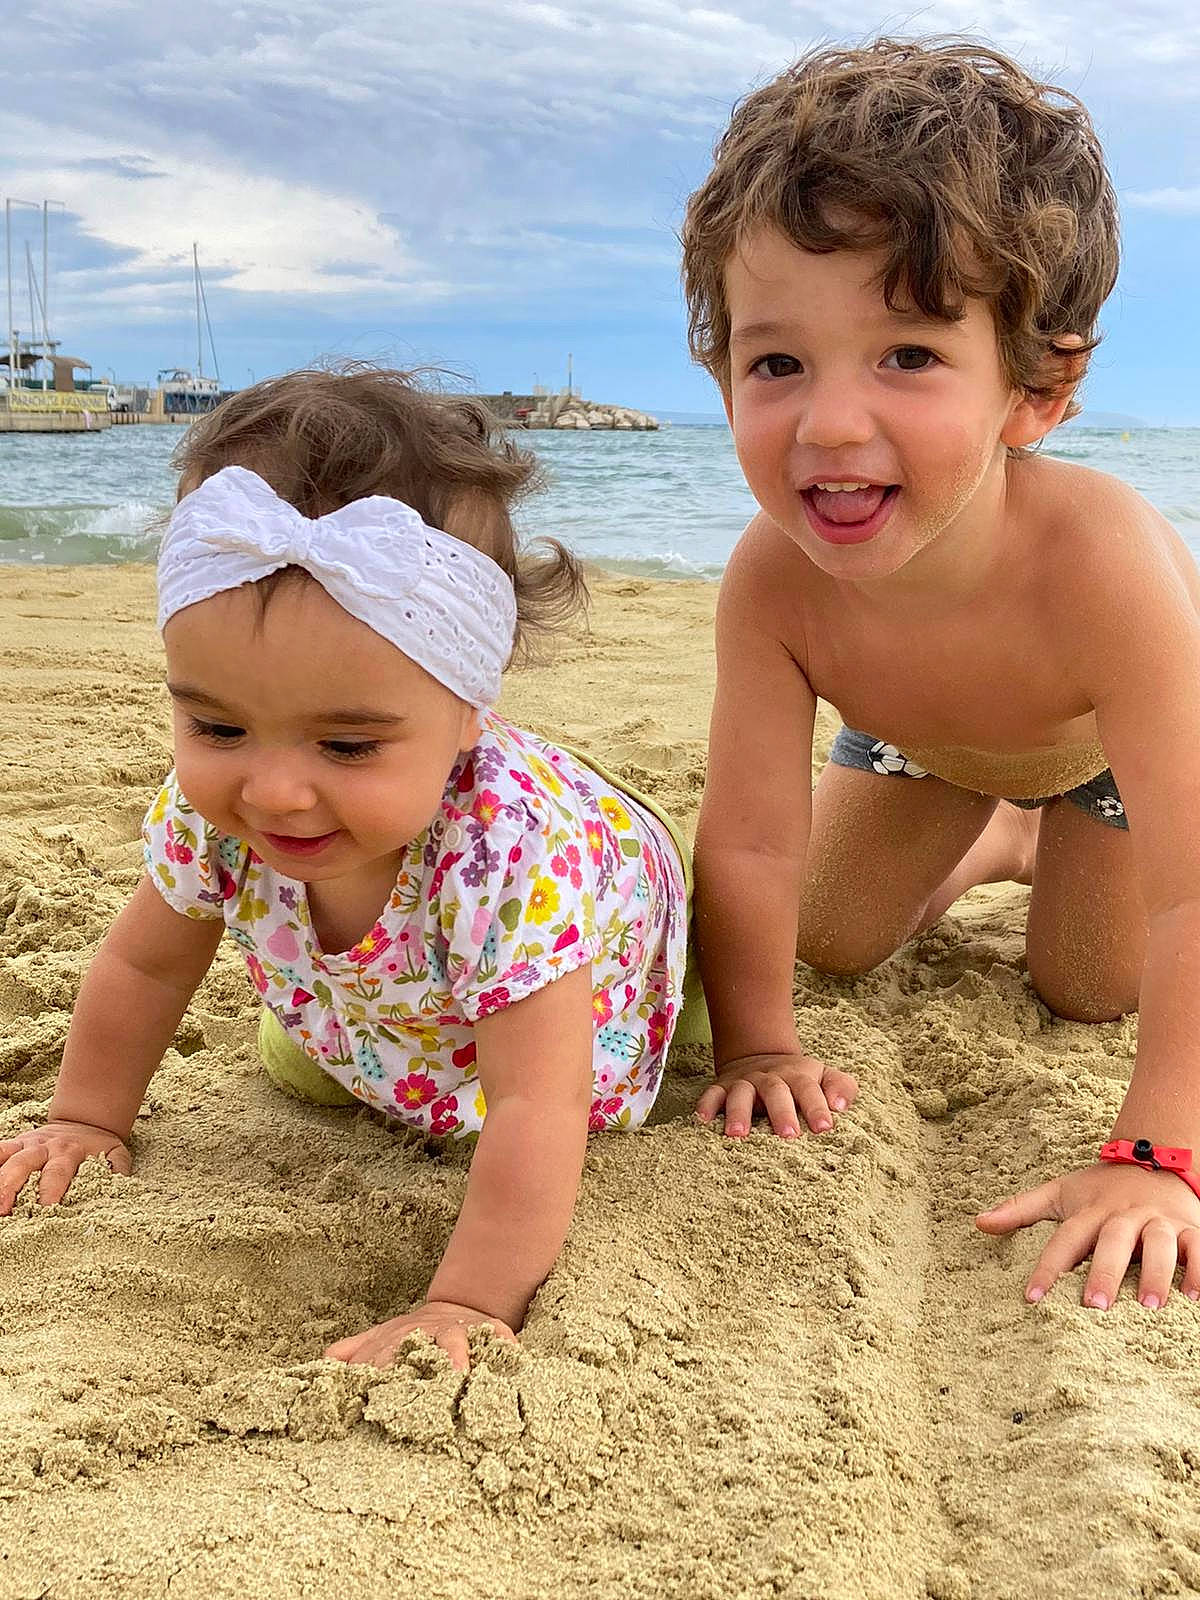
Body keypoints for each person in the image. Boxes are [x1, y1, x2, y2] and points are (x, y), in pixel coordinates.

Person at [0, 368, 699, 1368]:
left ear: (469, 712)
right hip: (410, 990)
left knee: (662, 1034)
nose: (274, 792)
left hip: (610, 917)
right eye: (218, 724)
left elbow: (541, 1105)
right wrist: (83, 1116)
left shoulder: (506, 854)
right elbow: (147, 966)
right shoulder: (219, 813)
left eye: (346, 745)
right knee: (307, 1070)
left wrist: (467, 1299)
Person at [683, 39, 1200, 1311]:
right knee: (827, 937)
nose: (830, 423)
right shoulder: (774, 575)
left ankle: (1037, 836)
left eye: (908, 355)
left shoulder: (1104, 565)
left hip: (1108, 767)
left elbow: (1194, 888)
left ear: (1035, 388)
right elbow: (748, 840)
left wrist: (1156, 1158)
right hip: (920, 741)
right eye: (778, 361)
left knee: (1087, 985)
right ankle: (990, 832)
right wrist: (758, 1042)